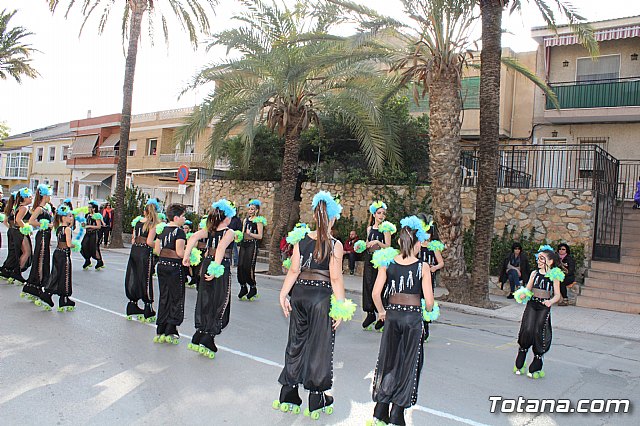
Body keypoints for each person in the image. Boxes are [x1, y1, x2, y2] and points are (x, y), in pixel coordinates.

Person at [274, 191, 355, 420]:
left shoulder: (302, 240)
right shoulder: (334, 244)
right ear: (333, 218)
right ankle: (317, 398)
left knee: (296, 343)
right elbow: (336, 278)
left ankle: (288, 393)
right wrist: (340, 307)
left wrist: (283, 294)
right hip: (321, 298)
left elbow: (293, 270)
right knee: (319, 347)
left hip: (299, 294)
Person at [369, 216, 435, 426]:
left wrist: (381, 312)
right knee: (407, 364)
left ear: (398, 242)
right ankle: (397, 414)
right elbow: (430, 302)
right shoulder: (422, 267)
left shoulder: (387, 263)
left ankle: (380, 411)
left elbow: (376, 293)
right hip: (413, 317)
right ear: (417, 244)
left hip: (393, 315)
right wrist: (427, 311)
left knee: (389, 361)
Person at [182, 199, 236, 358]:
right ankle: (208, 337)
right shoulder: (229, 232)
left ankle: (199, 333)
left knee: (205, 298)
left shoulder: (208, 230)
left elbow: (192, 238)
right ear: (226, 218)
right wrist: (215, 269)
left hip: (206, 263)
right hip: (219, 267)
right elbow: (220, 248)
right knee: (220, 301)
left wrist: (187, 256)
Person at [513, 249, 564, 379]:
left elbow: (558, 295)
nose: (539, 261)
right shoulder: (534, 273)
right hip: (532, 304)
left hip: (544, 307)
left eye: (542, 258)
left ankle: (537, 360)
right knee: (528, 329)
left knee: (539, 331)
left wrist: (550, 301)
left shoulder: (554, 275)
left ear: (550, 261)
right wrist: (523, 293)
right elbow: (528, 288)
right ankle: (522, 352)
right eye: (538, 258)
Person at [153, 203, 187, 344]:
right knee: (176, 297)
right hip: (174, 267)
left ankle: (161, 327)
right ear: (177, 217)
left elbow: (156, 250)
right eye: (183, 216)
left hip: (162, 265)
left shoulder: (162, 230)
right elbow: (179, 252)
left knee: (164, 295)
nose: (185, 219)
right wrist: (189, 255)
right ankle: (171, 329)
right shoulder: (179, 232)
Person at [124, 199, 161, 321]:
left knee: (133, 275)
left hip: (134, 251)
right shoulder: (153, 225)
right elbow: (150, 242)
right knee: (145, 278)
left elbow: (133, 240)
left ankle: (132, 304)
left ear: (144, 212)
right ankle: (148, 306)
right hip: (145, 253)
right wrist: (159, 245)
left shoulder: (138, 223)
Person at [362, 201, 393, 331]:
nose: (381, 216)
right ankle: (370, 313)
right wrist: (363, 245)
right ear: (374, 214)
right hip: (370, 259)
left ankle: (382, 314)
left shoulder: (386, 229)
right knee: (368, 284)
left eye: (383, 214)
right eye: (379, 213)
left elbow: (388, 246)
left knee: (379, 286)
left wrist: (378, 242)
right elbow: (367, 243)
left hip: (381, 261)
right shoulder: (369, 228)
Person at [41, 205, 76, 311]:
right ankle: (63, 298)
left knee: (56, 273)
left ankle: (51, 294)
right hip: (64, 254)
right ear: (64, 217)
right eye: (70, 216)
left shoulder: (59, 228)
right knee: (65, 274)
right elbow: (69, 244)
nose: (71, 218)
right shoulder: (68, 229)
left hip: (57, 252)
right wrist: (76, 245)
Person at [417, 213, 444, 342]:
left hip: (429, 278)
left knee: (426, 301)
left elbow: (441, 263)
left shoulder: (433, 247)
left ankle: (425, 327)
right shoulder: (416, 246)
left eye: (428, 233)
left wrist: (434, 267)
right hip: (417, 278)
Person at [24, 184, 54, 304]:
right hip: (41, 236)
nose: (50, 198)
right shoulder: (39, 209)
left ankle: (39, 284)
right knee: (41, 260)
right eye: (49, 195)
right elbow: (31, 221)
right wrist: (45, 225)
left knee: (44, 259)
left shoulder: (46, 208)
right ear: (45, 196)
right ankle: (38, 284)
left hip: (46, 236)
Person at [1, 188, 33, 283]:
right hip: (19, 231)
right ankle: (17, 271)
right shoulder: (24, 207)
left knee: (18, 252)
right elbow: (18, 220)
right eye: (30, 197)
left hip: (14, 231)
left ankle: (13, 270)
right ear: (25, 198)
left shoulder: (18, 206)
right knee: (27, 252)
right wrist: (26, 229)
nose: (31, 199)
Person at [237, 199, 265, 301]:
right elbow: (242, 232)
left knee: (248, 267)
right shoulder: (245, 220)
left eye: (252, 209)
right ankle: (243, 287)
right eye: (249, 209)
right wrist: (238, 236)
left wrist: (250, 234)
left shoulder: (259, 221)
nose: (250, 211)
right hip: (244, 243)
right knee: (240, 266)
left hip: (252, 244)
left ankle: (253, 287)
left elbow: (260, 236)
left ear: (256, 210)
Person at [81, 201, 105, 270]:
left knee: (94, 248)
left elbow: (99, 226)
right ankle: (87, 260)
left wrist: (89, 226)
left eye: (90, 207)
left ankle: (99, 261)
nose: (88, 208)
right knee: (83, 246)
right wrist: (84, 225)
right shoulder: (87, 215)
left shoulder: (96, 215)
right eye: (88, 207)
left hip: (94, 234)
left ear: (94, 208)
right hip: (87, 234)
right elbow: (86, 223)